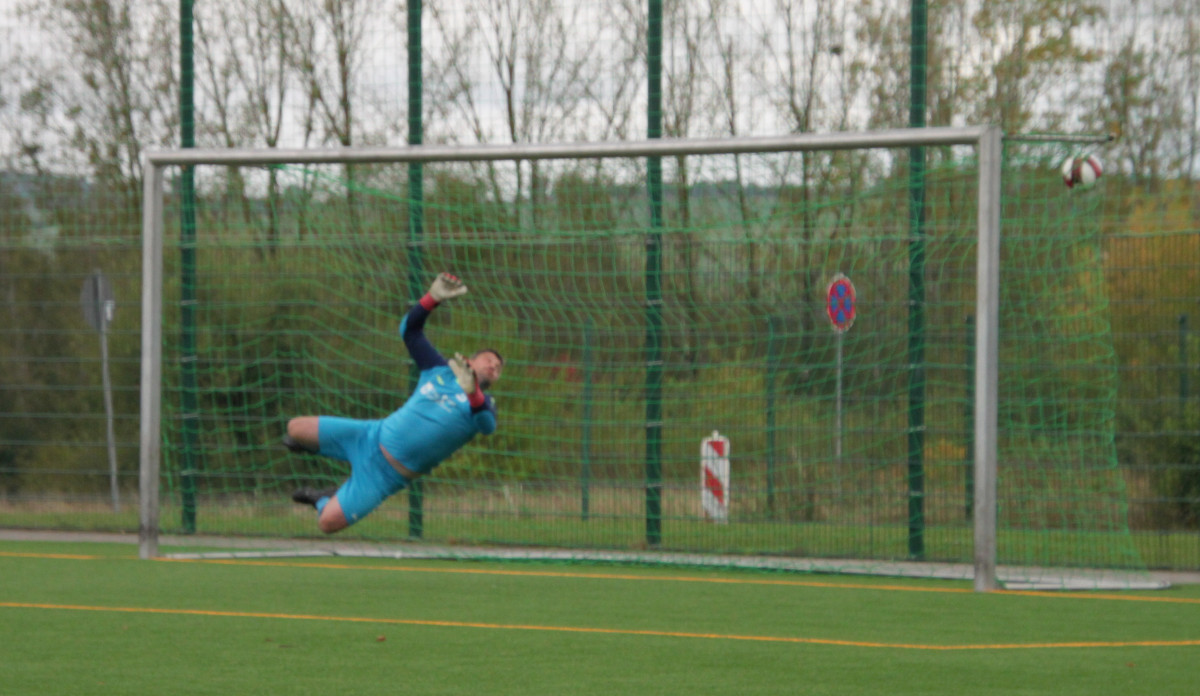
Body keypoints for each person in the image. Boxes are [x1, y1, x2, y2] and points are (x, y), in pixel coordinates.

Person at [284, 272, 503, 533]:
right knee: (294, 428)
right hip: (369, 436)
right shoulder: (439, 369)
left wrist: (472, 392)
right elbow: (409, 331)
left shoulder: (483, 404)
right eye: (489, 359)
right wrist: (431, 299)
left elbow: (487, 426)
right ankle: (318, 448)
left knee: (327, 524)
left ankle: (323, 498)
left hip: (386, 476)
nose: (493, 365)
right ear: (471, 359)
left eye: (498, 368)